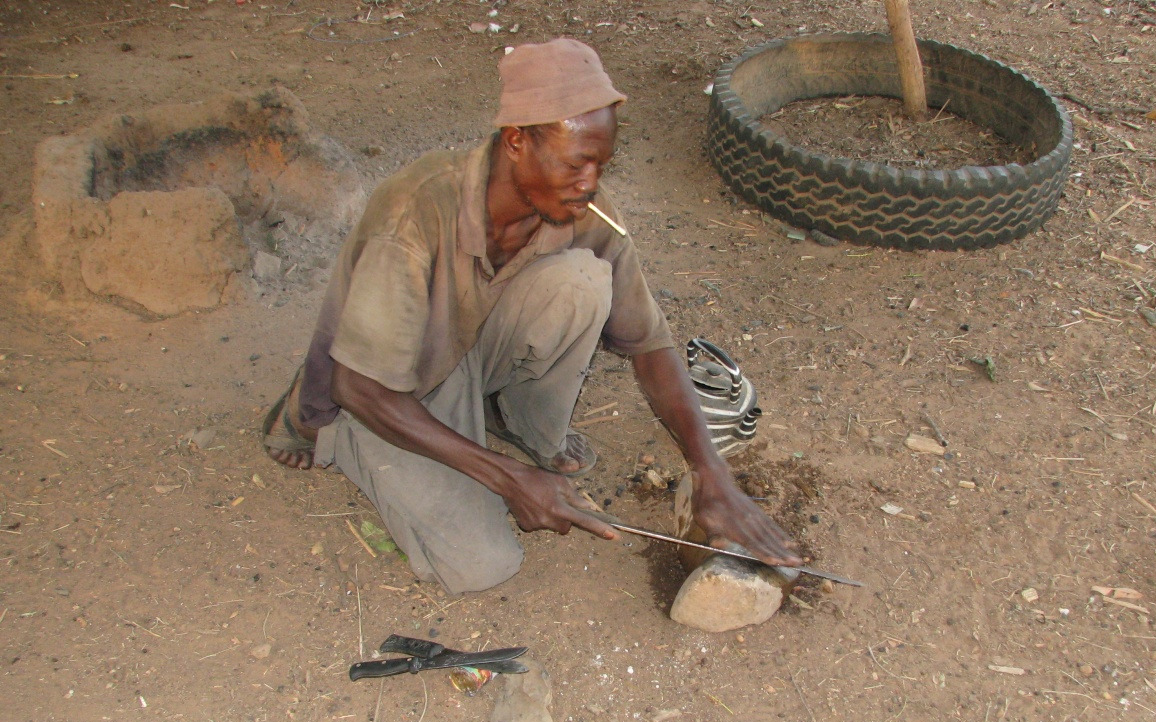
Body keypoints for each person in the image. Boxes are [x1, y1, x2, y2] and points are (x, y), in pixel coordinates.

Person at [261, 38, 801, 594]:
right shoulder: (416, 211)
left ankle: (511, 421)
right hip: (390, 387)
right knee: (482, 565)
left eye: (601, 163)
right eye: (575, 162)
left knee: (586, 281)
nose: (590, 182)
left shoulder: (585, 209)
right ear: (516, 141)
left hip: (466, 347)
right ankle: (325, 431)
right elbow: (360, 385)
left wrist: (711, 471)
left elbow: (650, 344)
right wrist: (510, 478)